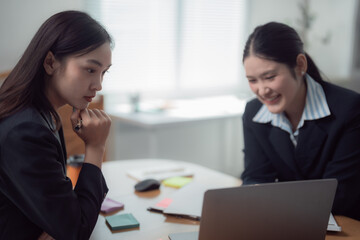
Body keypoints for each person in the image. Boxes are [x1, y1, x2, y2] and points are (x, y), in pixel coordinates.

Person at [0, 11, 112, 239]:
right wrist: (96, 147)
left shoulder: (43, 114)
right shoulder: (26, 131)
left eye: (103, 73)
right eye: (90, 70)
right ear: (50, 62)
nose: (98, 85)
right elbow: (76, 231)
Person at [241, 22, 360, 220]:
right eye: (253, 80)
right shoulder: (254, 112)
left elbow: (339, 196)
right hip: (288, 221)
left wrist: (268, 198)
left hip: (345, 223)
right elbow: (255, 176)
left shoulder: (349, 109)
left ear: (300, 65)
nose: (262, 90)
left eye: (270, 77)